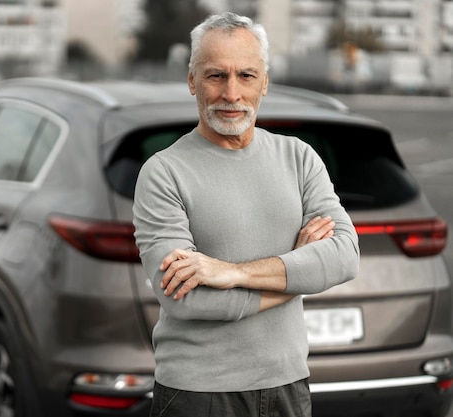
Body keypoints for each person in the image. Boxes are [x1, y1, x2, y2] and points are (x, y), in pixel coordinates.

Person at [132, 12, 360, 417]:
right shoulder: (163, 173)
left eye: (247, 76)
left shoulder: (299, 158)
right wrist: (298, 274)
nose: (232, 94)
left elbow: (344, 257)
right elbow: (189, 301)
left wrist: (231, 272)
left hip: (288, 384)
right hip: (198, 394)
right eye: (216, 75)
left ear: (265, 82)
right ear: (191, 81)